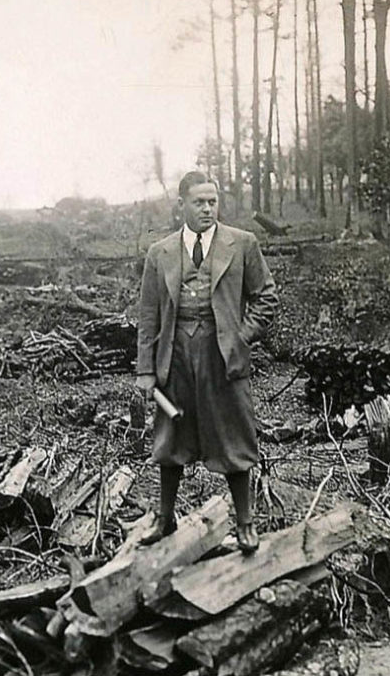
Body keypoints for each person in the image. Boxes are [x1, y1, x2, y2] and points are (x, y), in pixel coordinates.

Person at [134, 170, 279, 553]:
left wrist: (240, 336)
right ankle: (165, 519)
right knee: (170, 438)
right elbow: (148, 315)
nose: (207, 209)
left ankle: (245, 523)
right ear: (181, 204)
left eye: (212, 201)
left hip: (222, 358)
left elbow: (266, 298)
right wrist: (146, 369)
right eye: (199, 202)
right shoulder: (159, 253)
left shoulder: (242, 244)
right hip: (174, 356)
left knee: (233, 436)